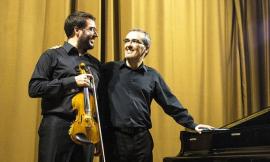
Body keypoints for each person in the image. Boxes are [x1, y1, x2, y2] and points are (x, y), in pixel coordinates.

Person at [99, 28, 214, 162]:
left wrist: (192, 124)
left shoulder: (152, 76)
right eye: (127, 40)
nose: (128, 45)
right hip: (114, 139)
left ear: (146, 49)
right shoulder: (109, 69)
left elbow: (170, 103)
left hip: (141, 141)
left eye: (135, 41)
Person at [28, 11, 100, 162]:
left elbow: (100, 100)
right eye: (92, 29)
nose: (96, 35)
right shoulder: (52, 55)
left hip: (88, 128)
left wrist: (99, 134)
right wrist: (72, 81)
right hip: (57, 125)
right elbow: (35, 88)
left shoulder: (95, 64)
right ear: (77, 31)